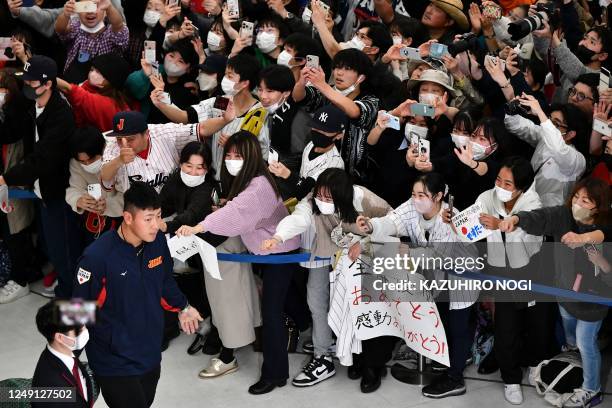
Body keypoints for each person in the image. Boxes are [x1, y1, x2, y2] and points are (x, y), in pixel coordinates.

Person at [176, 131, 301, 395]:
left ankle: (275, 374)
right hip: (266, 250)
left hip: (280, 252)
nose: (232, 160)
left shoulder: (258, 186)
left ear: (251, 156)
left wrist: (199, 226)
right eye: (229, 155)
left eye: (238, 156)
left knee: (272, 312)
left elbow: (237, 211)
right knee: (281, 304)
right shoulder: (251, 180)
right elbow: (235, 208)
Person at [72, 181, 203, 408]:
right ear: (128, 217)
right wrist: (64, 358)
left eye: (159, 216)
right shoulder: (97, 257)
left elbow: (163, 282)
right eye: (148, 218)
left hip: (149, 352)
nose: (156, 225)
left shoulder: (158, 242)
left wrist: (184, 307)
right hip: (113, 360)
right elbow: (79, 309)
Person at [262, 168, 394, 393]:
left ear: (343, 195)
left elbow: (392, 222)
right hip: (323, 248)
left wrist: (364, 242)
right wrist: (279, 236)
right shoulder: (312, 199)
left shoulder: (363, 199)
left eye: (328, 198)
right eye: (319, 196)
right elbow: (299, 218)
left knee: (360, 304)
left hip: (361, 253)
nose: (322, 201)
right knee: (316, 301)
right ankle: (323, 355)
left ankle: (363, 357)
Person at [361, 173, 479, 399]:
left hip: (461, 278)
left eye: (422, 195)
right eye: (414, 194)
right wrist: (371, 225)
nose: (416, 199)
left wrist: (413, 252)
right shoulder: (412, 206)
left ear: (438, 196)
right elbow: (393, 220)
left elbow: (441, 256)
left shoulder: (450, 218)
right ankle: (446, 361)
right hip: (437, 278)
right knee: (442, 322)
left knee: (458, 327)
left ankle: (455, 379)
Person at [500, 178, 611, 408]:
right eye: (576, 197)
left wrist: (591, 250)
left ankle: (592, 389)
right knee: (571, 339)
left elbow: (603, 236)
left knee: (585, 340)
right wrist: (517, 219)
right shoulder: (563, 216)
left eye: (586, 200)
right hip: (564, 295)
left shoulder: (606, 227)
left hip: (594, 301)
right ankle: (573, 359)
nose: (578, 203)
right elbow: (542, 217)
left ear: (598, 206)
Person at [475, 156, 555, 405]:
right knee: (506, 327)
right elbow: (471, 222)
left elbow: (526, 231)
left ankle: (535, 367)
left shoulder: (532, 201)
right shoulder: (487, 198)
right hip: (502, 271)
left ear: (521, 187)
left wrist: (500, 224)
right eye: (499, 179)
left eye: (508, 183)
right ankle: (510, 379)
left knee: (537, 325)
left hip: (532, 269)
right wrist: (456, 222)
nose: (500, 185)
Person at [0, 55, 80, 299]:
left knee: (65, 250)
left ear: (48, 84)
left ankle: (71, 301)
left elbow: (44, 158)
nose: (26, 86)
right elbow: (15, 132)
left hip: (58, 190)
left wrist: (7, 178)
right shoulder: (30, 105)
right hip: (39, 189)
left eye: (31, 83)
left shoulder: (61, 115)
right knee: (51, 246)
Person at [152, 54, 268, 177]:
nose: (224, 79)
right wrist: (162, 100)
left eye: (230, 76)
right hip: (215, 177)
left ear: (244, 83)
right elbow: (184, 116)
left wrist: (236, 146)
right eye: (225, 74)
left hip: (244, 181)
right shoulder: (222, 102)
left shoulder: (261, 112)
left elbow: (264, 155)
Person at [293, 49, 379, 184]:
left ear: (361, 77)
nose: (339, 72)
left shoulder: (371, 101)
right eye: (337, 67)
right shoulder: (329, 90)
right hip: (319, 166)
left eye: (347, 68)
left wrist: (322, 85)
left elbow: (355, 111)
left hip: (353, 177)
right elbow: (298, 97)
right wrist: (302, 82)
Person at [504, 96, 588, 207]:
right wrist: (513, 108)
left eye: (556, 124)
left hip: (547, 213)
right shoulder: (546, 137)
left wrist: (539, 112)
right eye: (550, 120)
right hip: (522, 199)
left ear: (570, 134)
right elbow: (520, 127)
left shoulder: (578, 159)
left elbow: (558, 149)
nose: (550, 125)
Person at [100, 110, 208, 194]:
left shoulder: (163, 133)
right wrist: (119, 160)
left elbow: (202, 129)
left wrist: (224, 120)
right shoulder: (113, 146)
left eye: (130, 139)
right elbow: (105, 176)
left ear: (146, 134)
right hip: (140, 212)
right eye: (119, 139)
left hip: (176, 204)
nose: (124, 144)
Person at [0, 68, 36, 303]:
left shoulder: (19, 114)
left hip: (14, 177)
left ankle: (20, 279)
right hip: (6, 175)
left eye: (4, 91)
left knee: (17, 230)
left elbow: (9, 134)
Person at [66, 126, 123, 247]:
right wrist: (78, 200)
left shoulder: (118, 155)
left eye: (91, 159)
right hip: (96, 222)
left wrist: (108, 205)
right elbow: (74, 188)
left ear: (103, 149)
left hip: (123, 217)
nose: (87, 164)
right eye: (82, 162)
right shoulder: (75, 162)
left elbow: (129, 194)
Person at [32, 300, 95, 408]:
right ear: (60, 337)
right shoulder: (50, 386)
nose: (85, 330)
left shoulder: (65, 354)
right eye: (78, 331)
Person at [55, 52, 136, 132]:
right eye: (92, 69)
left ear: (112, 80)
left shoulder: (109, 105)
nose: (93, 74)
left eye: (99, 73)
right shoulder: (89, 86)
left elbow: (74, 92)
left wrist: (51, 78)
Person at [55, 0, 129, 83]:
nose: (90, 12)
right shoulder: (76, 27)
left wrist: (110, 7)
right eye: (85, 7)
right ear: (78, 12)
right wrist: (65, 14)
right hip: (71, 86)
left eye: (95, 6)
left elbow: (118, 26)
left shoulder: (111, 33)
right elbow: (61, 30)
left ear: (105, 13)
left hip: (101, 91)